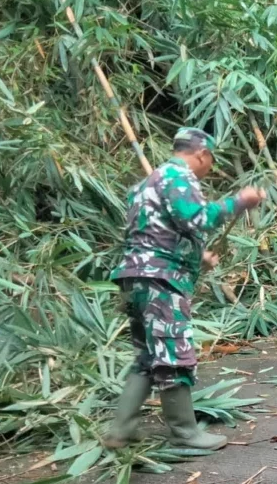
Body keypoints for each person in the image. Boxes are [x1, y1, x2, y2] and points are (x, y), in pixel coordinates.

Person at [105, 127, 265, 450]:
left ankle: (121, 430)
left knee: (148, 356)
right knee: (173, 352)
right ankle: (185, 433)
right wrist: (239, 202)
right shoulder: (179, 177)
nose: (210, 167)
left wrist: (196, 259)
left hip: (135, 278)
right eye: (211, 161)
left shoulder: (145, 184)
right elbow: (196, 219)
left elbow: (156, 233)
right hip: (160, 281)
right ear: (202, 154)